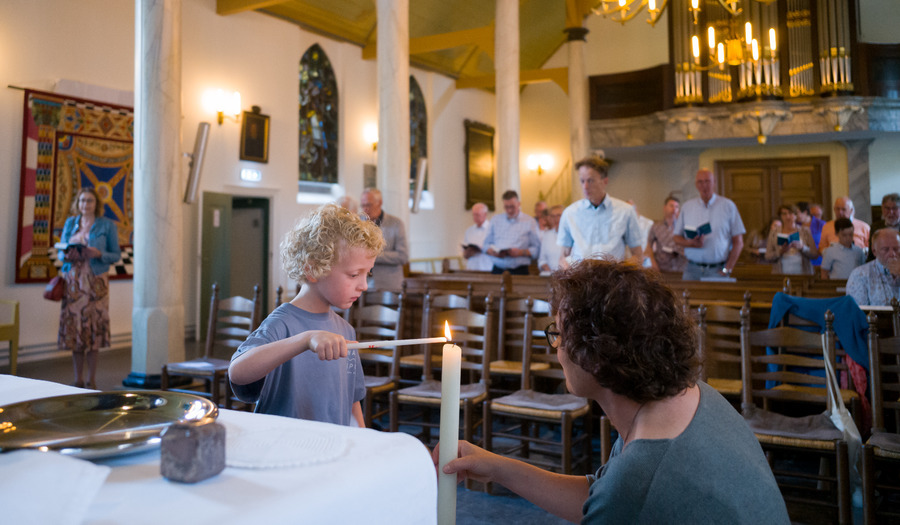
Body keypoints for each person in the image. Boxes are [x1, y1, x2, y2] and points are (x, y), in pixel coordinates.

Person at [433, 259, 789, 524]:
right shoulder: (690, 397)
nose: (554, 348)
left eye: (557, 334)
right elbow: (600, 495)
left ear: (597, 356)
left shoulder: (639, 477)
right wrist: (497, 468)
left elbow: (619, 497)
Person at [229, 204, 385, 426]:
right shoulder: (282, 324)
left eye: (366, 274)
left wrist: (359, 439)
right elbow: (237, 372)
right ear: (312, 269)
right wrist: (305, 339)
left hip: (331, 450)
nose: (364, 286)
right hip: (286, 451)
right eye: (353, 275)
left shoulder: (345, 329)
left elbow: (351, 402)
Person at [57, 187, 121, 389]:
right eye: (83, 200)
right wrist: (67, 255)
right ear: (78, 203)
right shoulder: (70, 223)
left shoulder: (106, 225)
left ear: (96, 204)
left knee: (94, 331)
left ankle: (91, 380)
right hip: (73, 282)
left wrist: (98, 253)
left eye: (90, 201)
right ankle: (77, 379)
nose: (86, 204)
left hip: (96, 282)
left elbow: (116, 255)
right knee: (75, 330)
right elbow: (60, 253)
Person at [557, 156, 643, 269]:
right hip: (582, 277)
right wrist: (568, 271)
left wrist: (621, 270)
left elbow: (637, 255)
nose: (585, 186)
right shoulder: (569, 213)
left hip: (613, 278)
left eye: (590, 180)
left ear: (605, 181)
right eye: (582, 181)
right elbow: (563, 256)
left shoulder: (625, 211)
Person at [674, 169, 746, 280]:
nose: (704, 186)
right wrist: (690, 243)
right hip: (692, 269)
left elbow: (738, 242)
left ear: (714, 183)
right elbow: (676, 238)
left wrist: (728, 268)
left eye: (707, 181)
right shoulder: (687, 207)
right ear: (696, 185)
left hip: (717, 270)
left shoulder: (728, 206)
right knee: (688, 297)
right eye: (700, 182)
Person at [360, 187, 409, 291]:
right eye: (363, 205)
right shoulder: (358, 223)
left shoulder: (396, 223)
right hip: (363, 285)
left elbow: (402, 256)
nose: (365, 209)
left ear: (379, 203)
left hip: (389, 285)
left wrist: (373, 255)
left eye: (368, 205)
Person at [483, 190, 541, 275]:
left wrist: (520, 252)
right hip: (498, 269)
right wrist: (493, 252)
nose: (509, 210)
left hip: (519, 270)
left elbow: (537, 249)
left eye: (512, 207)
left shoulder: (530, 221)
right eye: (506, 207)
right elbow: (485, 245)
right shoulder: (495, 220)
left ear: (519, 204)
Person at [846, 228, 900, 306]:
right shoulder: (860, 275)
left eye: (896, 249)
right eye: (885, 249)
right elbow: (859, 311)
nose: (892, 254)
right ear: (874, 251)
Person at [764, 204, 819, 275]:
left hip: (802, 272)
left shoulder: (805, 231)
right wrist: (780, 252)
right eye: (784, 214)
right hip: (781, 272)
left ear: (796, 215)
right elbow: (768, 256)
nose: (787, 216)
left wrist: (803, 247)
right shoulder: (774, 232)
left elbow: (815, 255)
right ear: (780, 216)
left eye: (790, 213)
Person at [646, 196, 686, 273]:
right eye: (671, 206)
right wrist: (653, 263)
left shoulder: (683, 226)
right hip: (662, 268)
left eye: (677, 207)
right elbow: (649, 247)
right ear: (664, 208)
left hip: (681, 268)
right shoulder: (656, 226)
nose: (674, 209)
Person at [867, 193, 900, 262]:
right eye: (887, 208)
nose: (891, 212)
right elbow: (871, 255)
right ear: (882, 209)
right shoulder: (875, 227)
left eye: (894, 208)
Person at [462, 202, 493, 272]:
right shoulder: (469, 231)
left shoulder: (492, 230)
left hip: (486, 268)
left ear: (485, 214)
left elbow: (497, 251)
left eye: (477, 215)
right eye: (473, 214)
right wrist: (467, 252)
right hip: (471, 268)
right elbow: (464, 253)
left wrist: (482, 249)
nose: (475, 217)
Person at [796, 201, 825, 266]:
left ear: (805, 212)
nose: (795, 215)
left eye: (797, 213)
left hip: (817, 262)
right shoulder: (796, 225)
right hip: (800, 263)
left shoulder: (821, 224)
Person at [537, 205, 564, 274]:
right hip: (549, 276)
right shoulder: (547, 235)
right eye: (553, 216)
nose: (556, 218)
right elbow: (542, 260)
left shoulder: (571, 235)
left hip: (566, 276)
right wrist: (548, 269)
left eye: (559, 215)